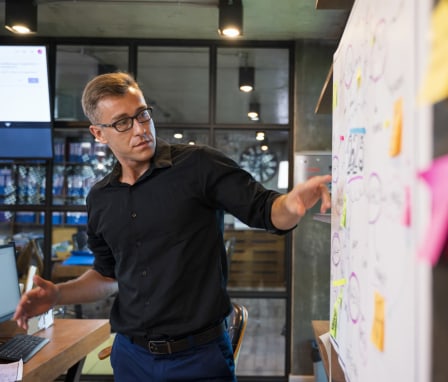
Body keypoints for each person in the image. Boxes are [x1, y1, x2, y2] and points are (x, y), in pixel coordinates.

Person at [14, 72, 331, 381]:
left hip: (199, 358)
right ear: (98, 133)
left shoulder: (199, 165)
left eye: (142, 115)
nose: (140, 129)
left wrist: (291, 204)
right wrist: (58, 294)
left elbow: (265, 209)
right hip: (130, 357)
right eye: (123, 122)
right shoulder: (100, 198)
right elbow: (107, 276)